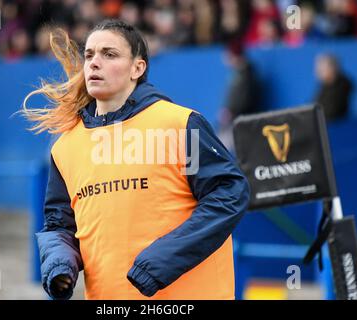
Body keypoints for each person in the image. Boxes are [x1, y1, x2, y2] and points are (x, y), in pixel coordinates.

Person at [23, 19, 250, 300]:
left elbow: (228, 194)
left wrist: (160, 262)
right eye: (90, 55)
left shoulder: (179, 125)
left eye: (109, 54)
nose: (94, 63)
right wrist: (60, 263)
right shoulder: (65, 147)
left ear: (137, 68)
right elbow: (59, 225)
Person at [314, 53, 353, 121]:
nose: (317, 72)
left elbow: (331, 114)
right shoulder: (324, 86)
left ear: (332, 68)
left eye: (321, 69)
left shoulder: (341, 89)